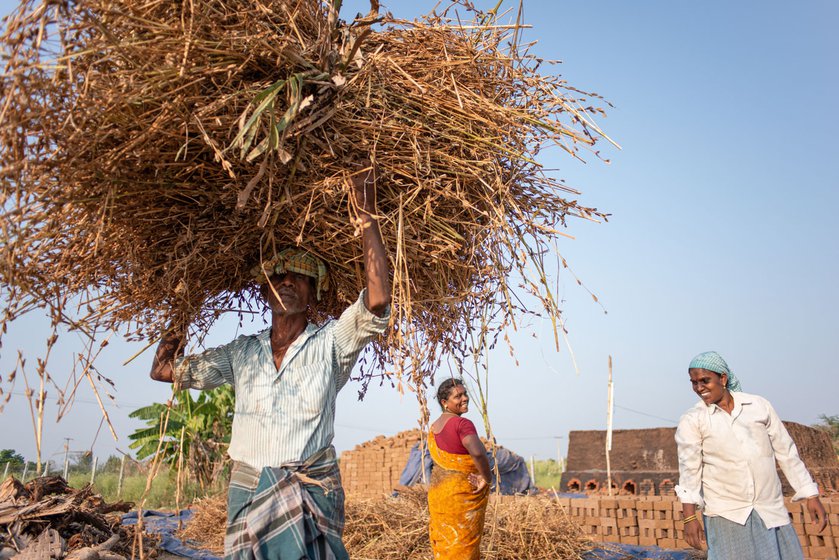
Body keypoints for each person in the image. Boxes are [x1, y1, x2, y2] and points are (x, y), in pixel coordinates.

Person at [149, 161, 390, 560]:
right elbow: (162, 370)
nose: (286, 283)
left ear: (313, 293)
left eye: (298, 276)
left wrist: (365, 213)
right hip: (249, 494)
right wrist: (186, 299)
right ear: (265, 292)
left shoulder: (331, 342)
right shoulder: (241, 353)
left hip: (311, 492)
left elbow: (378, 300)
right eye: (277, 277)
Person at [675, 351, 827, 560]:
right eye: (694, 383)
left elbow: (787, 452)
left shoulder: (758, 406)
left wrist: (810, 495)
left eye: (705, 381)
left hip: (770, 511)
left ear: (723, 378)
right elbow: (689, 470)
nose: (699, 388)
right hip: (728, 516)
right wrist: (689, 518)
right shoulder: (693, 420)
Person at [427, 378, 492, 560]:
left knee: (447, 546)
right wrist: (486, 478)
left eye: (464, 394)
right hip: (461, 498)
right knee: (463, 549)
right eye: (458, 396)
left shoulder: (434, 428)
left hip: (440, 497)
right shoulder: (462, 424)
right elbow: (478, 453)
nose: (464, 398)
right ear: (444, 403)